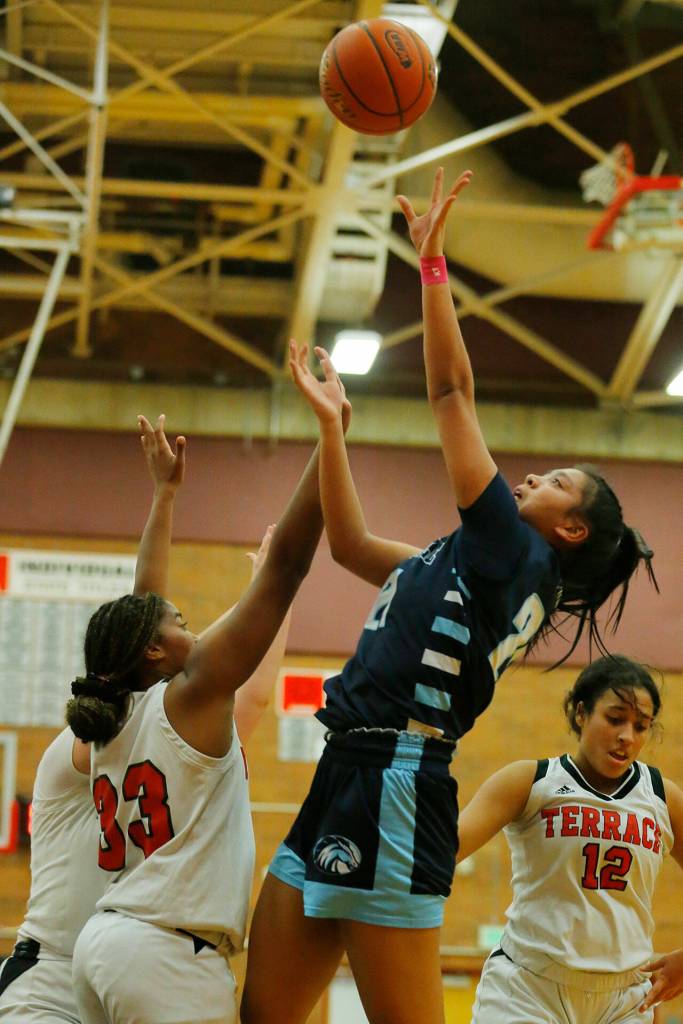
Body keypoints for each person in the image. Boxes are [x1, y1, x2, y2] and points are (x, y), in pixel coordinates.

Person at [240, 169, 658, 1024]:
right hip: (342, 766)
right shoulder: (470, 561)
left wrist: (431, 267)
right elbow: (353, 546)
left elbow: (449, 391)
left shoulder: (513, 554)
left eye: (554, 480)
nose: (530, 476)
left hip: (399, 773)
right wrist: (331, 432)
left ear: (568, 530)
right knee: (266, 1013)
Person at [0, 415, 290, 1023]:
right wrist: (272, 585)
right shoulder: (93, 738)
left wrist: (164, 497)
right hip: (56, 966)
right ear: (139, 657)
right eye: (173, 625)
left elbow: (251, 692)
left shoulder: (156, 729)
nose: (180, 629)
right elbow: (148, 617)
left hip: (102, 958)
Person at [68, 398, 329, 1024]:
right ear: (155, 649)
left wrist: (164, 496)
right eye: (181, 622)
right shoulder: (190, 694)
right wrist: (330, 438)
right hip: (166, 955)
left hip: (104, 946)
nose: (193, 628)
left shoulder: (114, 714)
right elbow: (289, 565)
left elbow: (145, 602)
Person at [456, 655, 683, 1023]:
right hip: (529, 986)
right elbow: (445, 849)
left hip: (624, 998)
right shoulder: (531, 782)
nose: (627, 735)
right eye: (614, 719)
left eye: (641, 726)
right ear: (581, 713)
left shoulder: (663, 797)